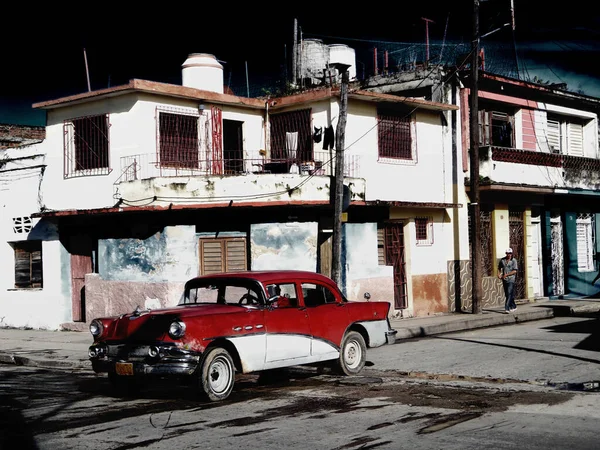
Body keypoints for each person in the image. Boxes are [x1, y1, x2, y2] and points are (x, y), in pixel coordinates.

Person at [498, 247, 518, 313]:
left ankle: (507, 307)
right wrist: (499, 274)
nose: (509, 255)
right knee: (507, 294)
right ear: (506, 253)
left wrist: (507, 274)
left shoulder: (514, 261)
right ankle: (514, 306)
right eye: (508, 253)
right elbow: (499, 267)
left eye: (510, 253)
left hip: (511, 279)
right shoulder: (502, 260)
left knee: (509, 293)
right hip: (504, 279)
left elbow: (515, 271)